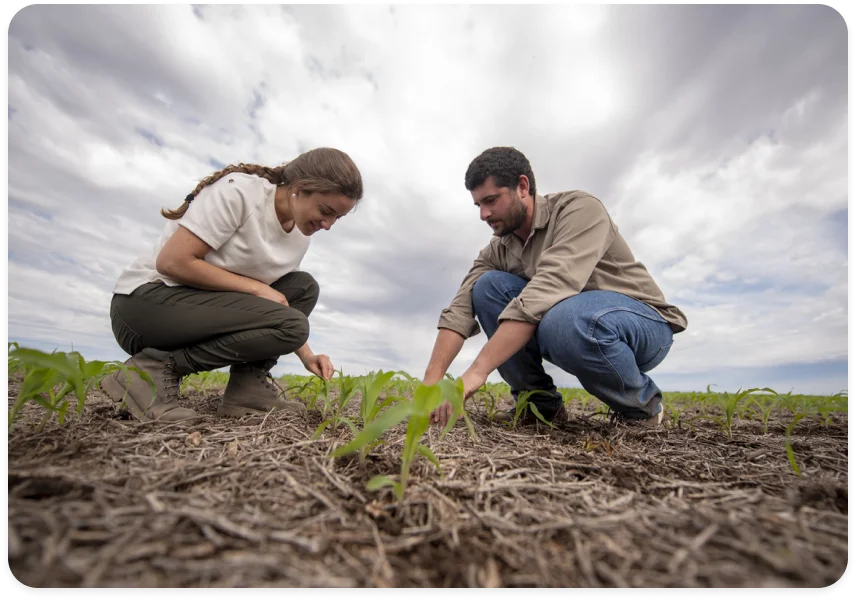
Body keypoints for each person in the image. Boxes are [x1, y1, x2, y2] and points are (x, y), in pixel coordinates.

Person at [426, 146, 688, 429]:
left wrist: (475, 374)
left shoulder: (579, 210)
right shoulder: (497, 250)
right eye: (478, 205)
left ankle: (643, 408)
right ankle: (540, 407)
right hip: (568, 325)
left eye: (491, 200)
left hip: (643, 325)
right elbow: (460, 308)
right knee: (487, 287)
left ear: (522, 186)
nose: (484, 214)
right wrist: (431, 381)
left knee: (564, 316)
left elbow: (549, 289)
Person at [100, 147, 362, 423]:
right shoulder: (240, 193)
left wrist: (307, 355)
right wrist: (256, 288)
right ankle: (151, 370)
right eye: (326, 211)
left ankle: (247, 388)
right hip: (145, 305)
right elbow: (172, 262)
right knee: (292, 319)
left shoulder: (299, 237)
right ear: (298, 189)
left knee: (303, 287)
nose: (329, 225)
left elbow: (281, 305)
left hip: (202, 311)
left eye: (338, 218)